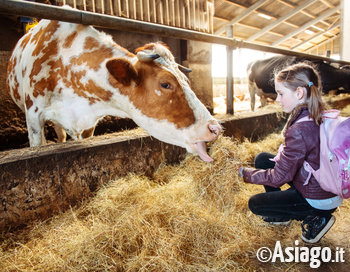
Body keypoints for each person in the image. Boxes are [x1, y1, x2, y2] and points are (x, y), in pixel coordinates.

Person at [238, 62, 343, 244]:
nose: (277, 99)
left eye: (281, 94)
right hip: (323, 182)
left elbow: (279, 177)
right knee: (263, 159)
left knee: (256, 204)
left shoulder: (301, 129)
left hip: (317, 197)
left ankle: (317, 217)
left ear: (300, 93)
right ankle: (285, 215)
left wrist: (245, 174)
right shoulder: (316, 112)